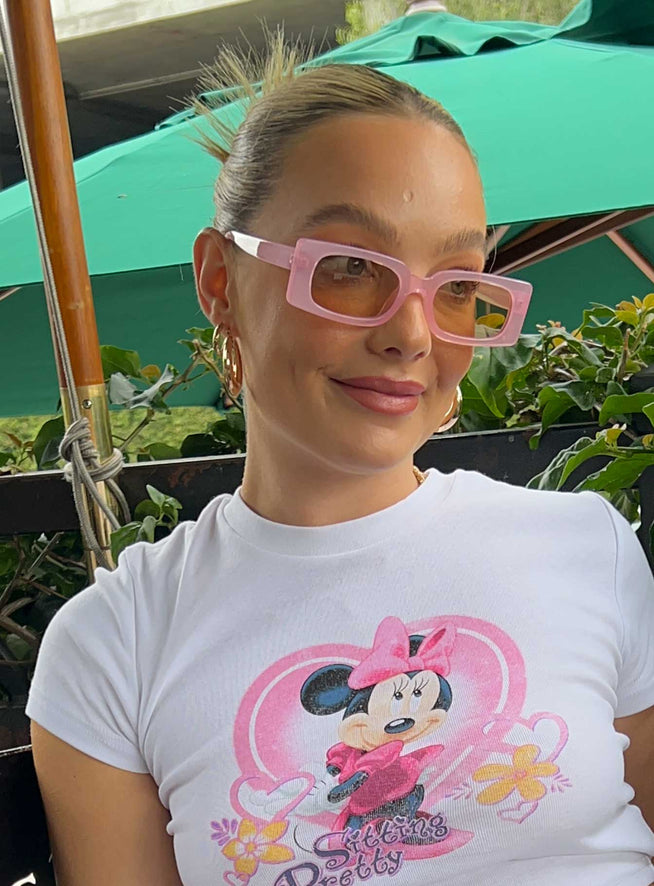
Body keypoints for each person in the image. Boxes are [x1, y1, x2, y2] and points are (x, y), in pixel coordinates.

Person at [25, 33, 654, 886]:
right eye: (352, 268)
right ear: (220, 282)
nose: (411, 334)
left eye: (457, 286)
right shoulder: (115, 648)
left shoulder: (587, 548)